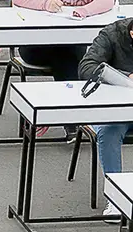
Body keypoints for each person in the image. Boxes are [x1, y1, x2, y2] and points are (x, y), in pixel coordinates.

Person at [13, 0, 110, 142]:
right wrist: (45, 4)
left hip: (73, 39)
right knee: (65, 56)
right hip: (36, 42)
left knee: (69, 53)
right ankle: (76, 119)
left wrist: (84, 10)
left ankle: (72, 119)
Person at [79, 17, 133, 218]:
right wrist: (125, 76)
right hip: (114, 109)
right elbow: (86, 67)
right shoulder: (111, 35)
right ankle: (116, 198)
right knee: (109, 130)